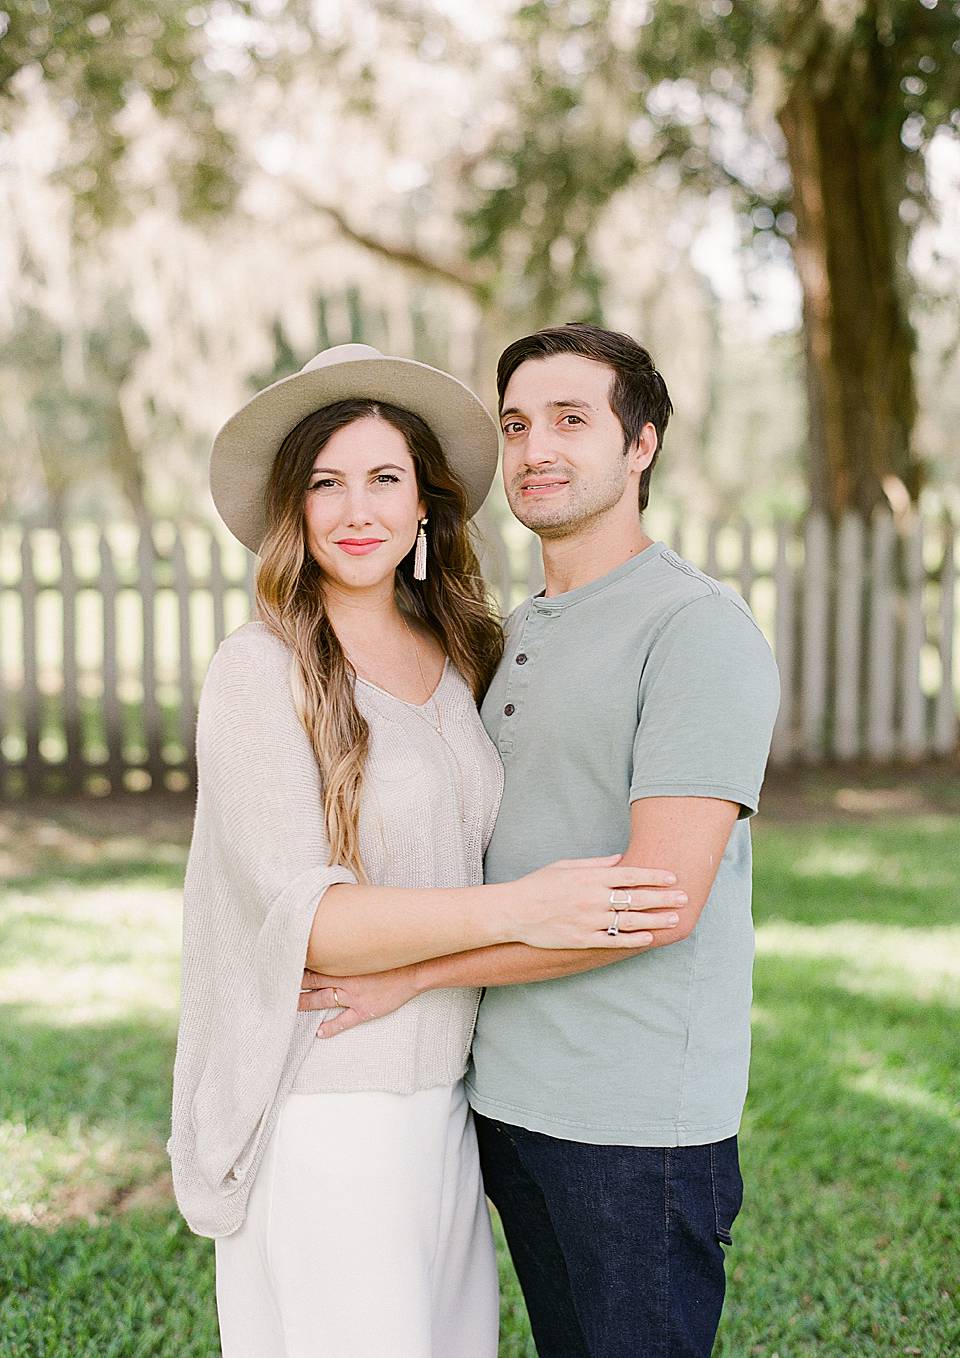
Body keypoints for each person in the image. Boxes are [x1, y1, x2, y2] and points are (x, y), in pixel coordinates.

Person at [168, 344, 687, 1358]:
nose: (353, 508)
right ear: (294, 506)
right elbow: (305, 918)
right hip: (327, 1103)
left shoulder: (463, 658)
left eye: (382, 478)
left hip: (446, 1103)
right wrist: (519, 910)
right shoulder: (257, 670)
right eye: (324, 482)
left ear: (422, 507)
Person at [303, 325, 780, 1358]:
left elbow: (656, 901)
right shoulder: (504, 631)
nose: (534, 449)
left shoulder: (694, 629)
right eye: (516, 424)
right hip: (505, 1098)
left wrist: (414, 974)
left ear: (639, 444)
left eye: (571, 419)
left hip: (632, 1121)